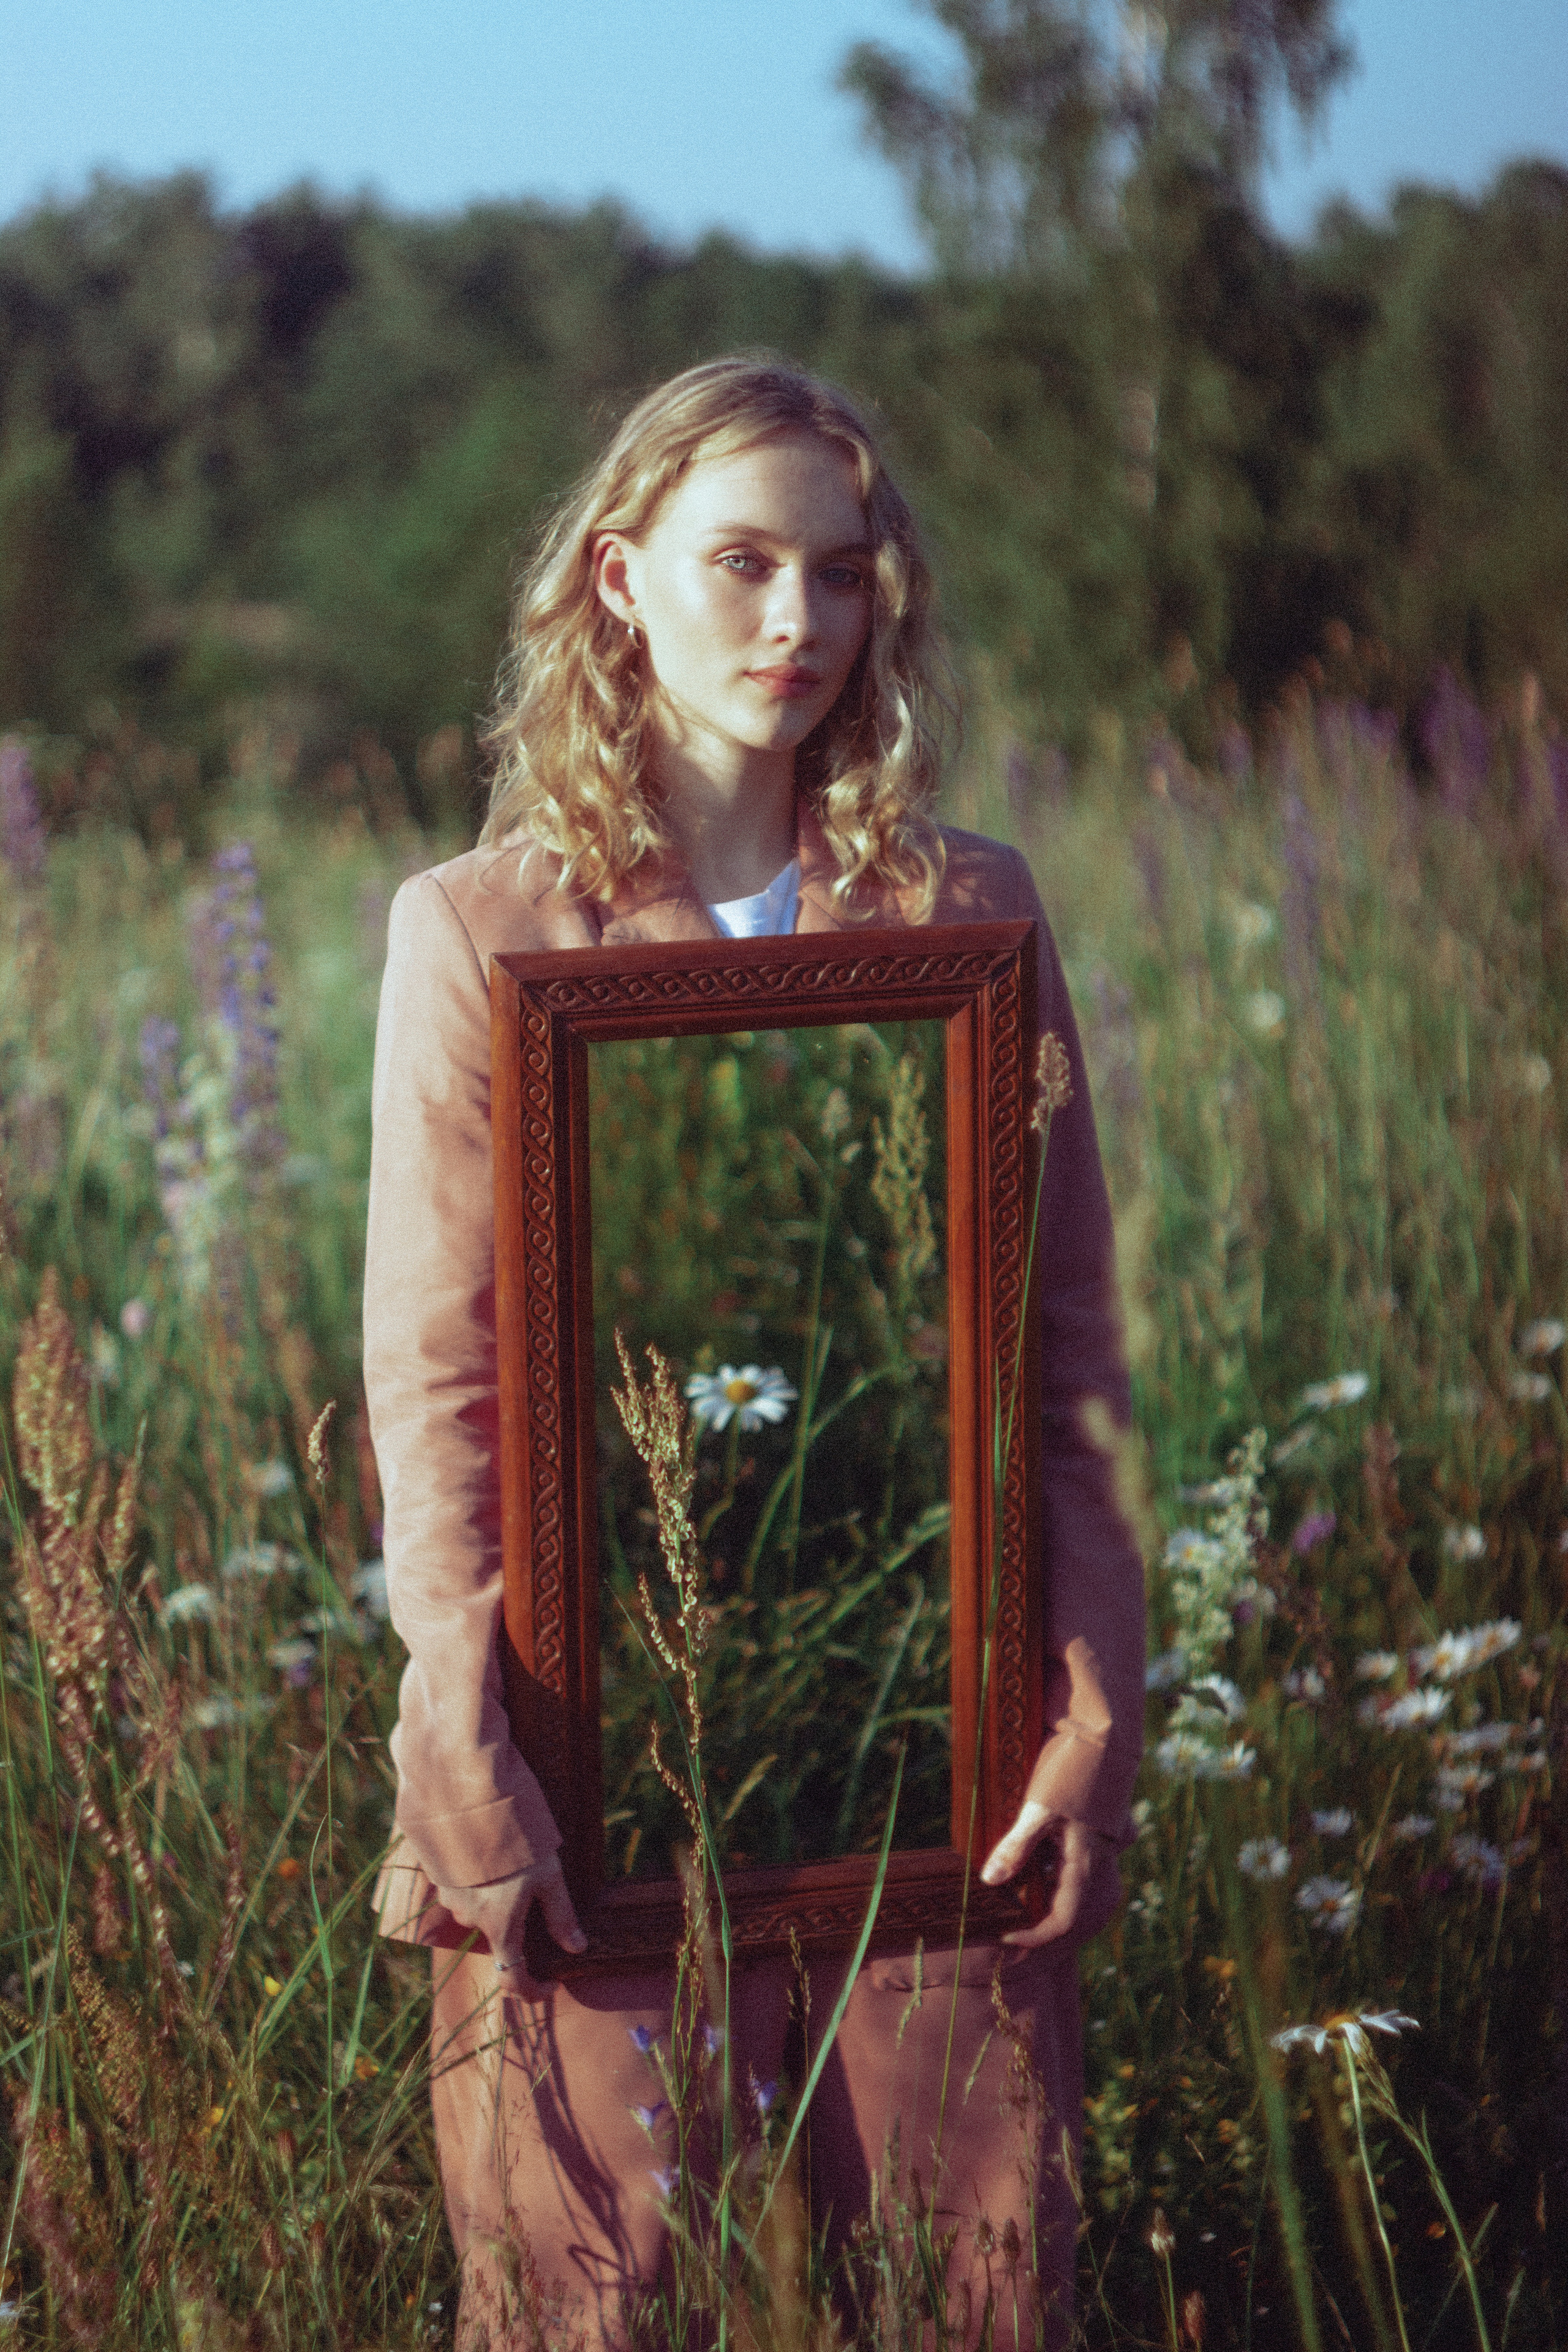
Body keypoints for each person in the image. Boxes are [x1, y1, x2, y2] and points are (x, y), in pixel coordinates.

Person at [363, 356, 1145, 2350]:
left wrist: (1092, 1702)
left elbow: (1065, 1368)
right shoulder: (480, 929)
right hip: (592, 1787)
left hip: (933, 1785)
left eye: (844, 571)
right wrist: (468, 1751)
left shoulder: (965, 910)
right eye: (742, 564)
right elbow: (440, 1404)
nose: (799, 622)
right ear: (618, 581)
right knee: (607, 2304)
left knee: (961, 2295)